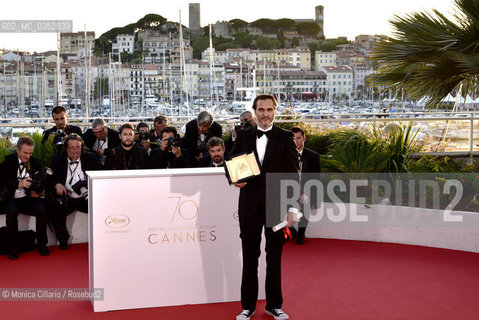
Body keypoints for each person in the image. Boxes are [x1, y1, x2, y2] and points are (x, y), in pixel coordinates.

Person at [230, 94, 299, 320]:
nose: (265, 114)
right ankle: (247, 306)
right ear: (254, 111)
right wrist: (233, 178)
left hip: (277, 207)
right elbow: (231, 161)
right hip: (249, 205)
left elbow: (292, 176)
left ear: (275, 111)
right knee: (250, 257)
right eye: (261, 110)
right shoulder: (243, 135)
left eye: (270, 110)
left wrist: (291, 208)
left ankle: (274, 304)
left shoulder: (285, 137)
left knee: (274, 257)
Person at [0, 136, 49, 260]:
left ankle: (42, 244)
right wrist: (18, 184)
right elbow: (1, 180)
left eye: (30, 153)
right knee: (11, 212)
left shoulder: (35, 162)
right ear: (17, 150)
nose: (28, 156)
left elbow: (41, 182)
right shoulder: (8, 161)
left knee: (42, 210)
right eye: (25, 153)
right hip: (12, 198)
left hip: (29, 199)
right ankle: (13, 247)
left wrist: (40, 193)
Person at [49, 134, 101, 250]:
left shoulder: (90, 158)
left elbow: (99, 177)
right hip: (66, 197)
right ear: (66, 149)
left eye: (78, 147)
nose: (75, 150)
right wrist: (57, 184)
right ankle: (62, 239)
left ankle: (100, 238)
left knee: (101, 208)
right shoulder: (58, 159)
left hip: (86, 197)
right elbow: (50, 179)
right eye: (72, 148)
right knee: (55, 208)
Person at [290, 127, 320, 245]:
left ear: (304, 139)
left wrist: (313, 197)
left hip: (305, 188)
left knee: (305, 204)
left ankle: (301, 234)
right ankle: (291, 231)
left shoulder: (313, 156)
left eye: (298, 138)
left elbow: (315, 178)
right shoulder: (286, 155)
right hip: (289, 188)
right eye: (293, 139)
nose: (296, 141)